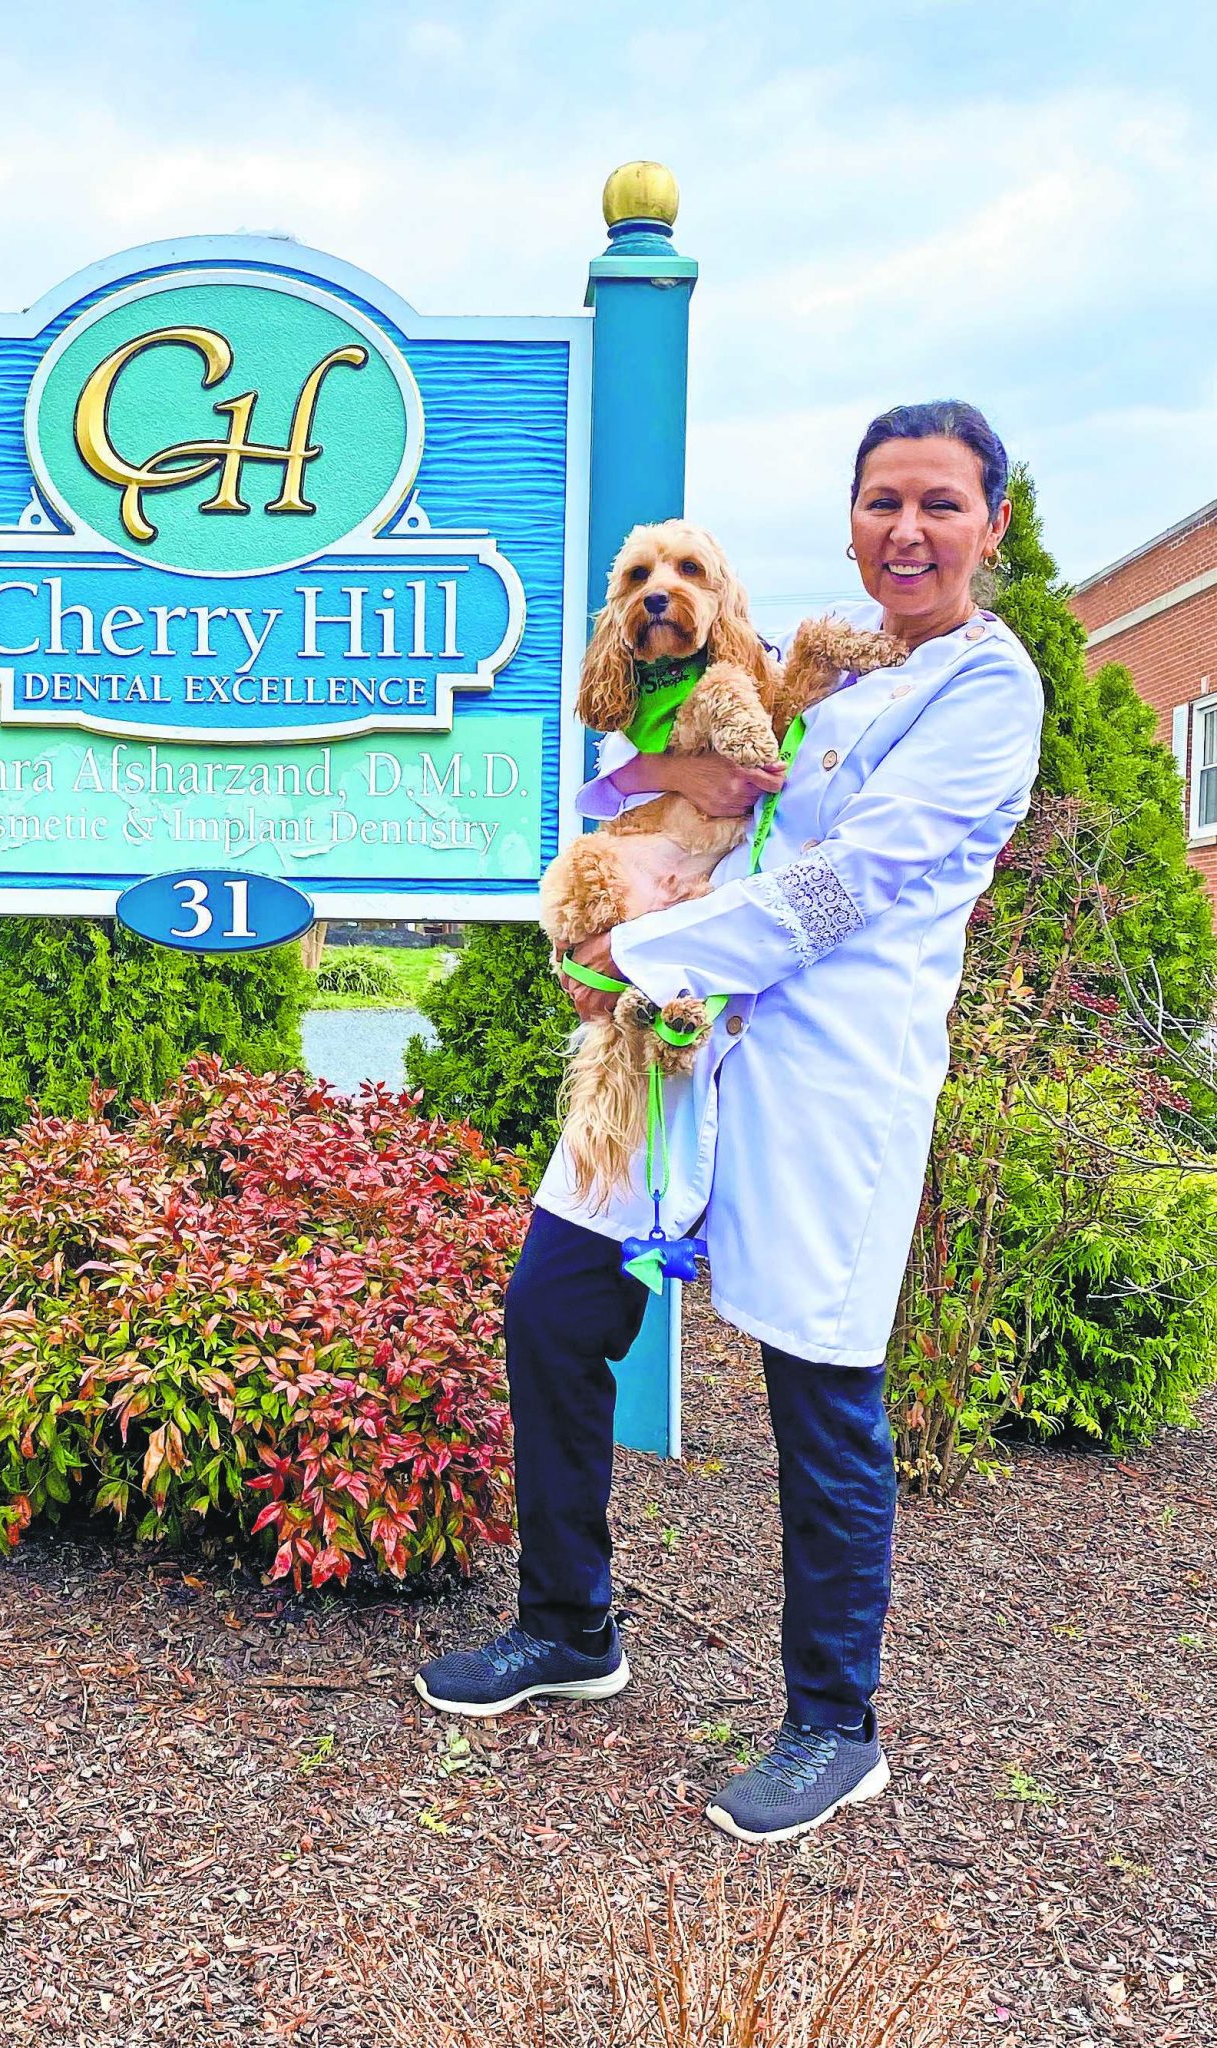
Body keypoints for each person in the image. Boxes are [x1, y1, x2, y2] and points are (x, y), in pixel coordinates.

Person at [415, 402, 1043, 1846]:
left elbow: (860, 880)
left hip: (823, 1068)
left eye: (941, 505)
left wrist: (650, 958)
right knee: (553, 1311)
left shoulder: (985, 690)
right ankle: (570, 1626)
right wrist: (656, 797)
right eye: (884, 500)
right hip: (671, 1058)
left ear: (989, 525)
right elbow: (657, 778)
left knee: (820, 1386)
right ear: (850, 517)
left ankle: (836, 1723)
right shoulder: (824, 669)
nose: (908, 530)